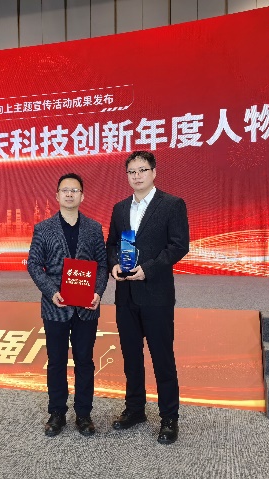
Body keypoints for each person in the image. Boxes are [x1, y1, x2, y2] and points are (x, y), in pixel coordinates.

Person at [106, 151, 189, 445]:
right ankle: (135, 409)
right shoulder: (119, 208)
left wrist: (149, 269)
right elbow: (112, 244)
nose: (137, 176)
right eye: (132, 172)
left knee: (162, 357)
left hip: (156, 294)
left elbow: (179, 245)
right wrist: (114, 264)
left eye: (142, 170)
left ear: (154, 172)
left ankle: (169, 417)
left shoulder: (172, 204)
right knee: (131, 357)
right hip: (125, 294)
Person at [27, 173, 108, 437]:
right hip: (56, 307)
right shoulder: (43, 228)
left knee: (84, 361)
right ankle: (57, 413)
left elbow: (102, 265)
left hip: (86, 307)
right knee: (56, 361)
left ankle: (84, 414)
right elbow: (33, 264)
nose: (70, 194)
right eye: (65, 190)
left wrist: (97, 292)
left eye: (75, 190)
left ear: (82, 196)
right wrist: (51, 292)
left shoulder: (93, 228)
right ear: (57, 195)